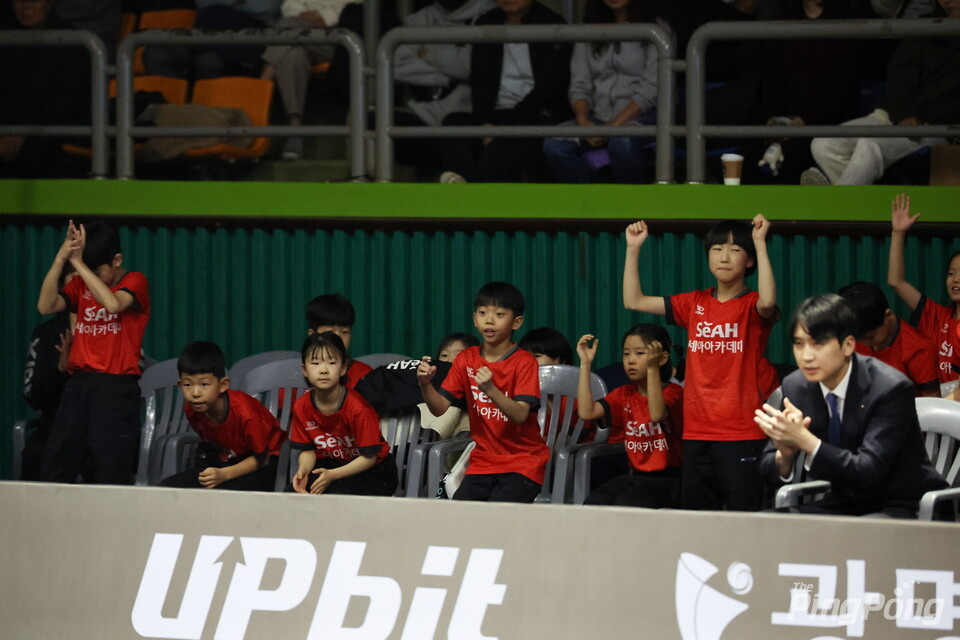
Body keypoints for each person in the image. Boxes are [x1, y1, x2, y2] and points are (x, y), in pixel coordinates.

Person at [623, 215, 778, 511]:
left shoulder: (752, 305)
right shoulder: (693, 303)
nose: (724, 257)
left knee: (743, 517)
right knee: (697, 517)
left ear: (749, 261)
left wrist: (760, 243)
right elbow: (634, 301)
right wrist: (633, 248)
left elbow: (769, 302)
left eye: (735, 250)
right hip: (696, 431)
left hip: (741, 432)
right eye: (717, 249)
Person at [756, 294, 947, 518]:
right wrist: (784, 456)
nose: (806, 356)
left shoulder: (889, 388)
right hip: (845, 502)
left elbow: (869, 473)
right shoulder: (797, 386)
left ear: (848, 345)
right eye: (799, 344)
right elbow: (767, 471)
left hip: (904, 503)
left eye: (818, 344)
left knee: (855, 533)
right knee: (766, 523)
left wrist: (805, 440)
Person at [36, 220, 150, 484]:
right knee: (56, 466)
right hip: (79, 385)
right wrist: (61, 258)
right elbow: (45, 306)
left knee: (110, 471)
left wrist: (79, 265)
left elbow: (113, 304)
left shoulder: (136, 281)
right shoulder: (80, 285)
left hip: (115, 388)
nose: (89, 277)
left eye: (96, 271)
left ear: (117, 260)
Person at [802, 0, 960, 185]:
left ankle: (836, 199)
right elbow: (901, 72)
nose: (946, 1)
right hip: (895, 113)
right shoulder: (926, 25)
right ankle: (857, 197)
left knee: (868, 147)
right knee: (823, 144)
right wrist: (905, 112)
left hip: (938, 126)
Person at [417, 281, 549, 502]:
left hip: (523, 462)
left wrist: (490, 390)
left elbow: (520, 414)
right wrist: (425, 384)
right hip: (483, 461)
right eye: (483, 312)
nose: (489, 320)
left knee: (497, 517)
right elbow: (439, 408)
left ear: (516, 322)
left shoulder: (524, 362)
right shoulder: (466, 359)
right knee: (462, 515)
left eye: (499, 314)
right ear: (474, 318)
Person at [438, 0, 572, 183]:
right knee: (453, 125)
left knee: (496, 157)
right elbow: (480, 80)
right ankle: (467, 190)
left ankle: (479, 194)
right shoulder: (488, 22)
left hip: (538, 115)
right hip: (496, 115)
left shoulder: (551, 23)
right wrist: (485, 124)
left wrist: (508, 126)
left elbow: (550, 87)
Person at [542, 0, 670, 184]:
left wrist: (613, 126)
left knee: (622, 142)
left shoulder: (657, 28)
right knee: (555, 144)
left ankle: (631, 201)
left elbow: (652, 89)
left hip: (645, 117)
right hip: (599, 117)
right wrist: (583, 121)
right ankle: (589, 200)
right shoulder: (588, 29)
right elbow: (580, 84)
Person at [576, 324, 683, 507]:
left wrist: (652, 369)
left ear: (662, 357)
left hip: (670, 480)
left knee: (628, 503)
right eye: (626, 354)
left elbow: (657, 415)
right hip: (635, 476)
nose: (631, 360)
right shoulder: (623, 394)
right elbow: (587, 412)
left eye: (640, 353)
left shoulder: (674, 393)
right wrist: (585, 364)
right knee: (595, 502)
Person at [159, 341, 285, 490]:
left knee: (223, 492)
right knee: (167, 487)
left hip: (266, 462)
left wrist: (224, 474)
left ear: (223, 385)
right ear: (180, 385)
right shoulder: (192, 409)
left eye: (204, 384)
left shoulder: (247, 413)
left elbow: (262, 459)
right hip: (226, 459)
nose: (195, 393)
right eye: (188, 385)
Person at [290, 332, 398, 495]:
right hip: (333, 465)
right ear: (304, 370)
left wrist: (332, 475)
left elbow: (369, 458)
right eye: (315, 363)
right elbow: (307, 451)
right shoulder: (301, 406)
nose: (323, 370)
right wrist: (303, 471)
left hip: (372, 471)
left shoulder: (358, 408)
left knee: (336, 499)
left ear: (343, 368)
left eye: (332, 362)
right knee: (293, 495)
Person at [0, 0, 91, 179]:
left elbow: (67, 102)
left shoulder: (74, 42)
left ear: (49, 3)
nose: (25, 5)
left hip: (53, 133)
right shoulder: (4, 38)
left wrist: (21, 133)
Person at [260, 0, 360, 160]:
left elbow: (356, 8)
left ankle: (262, 83)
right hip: (300, 30)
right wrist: (303, 18)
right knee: (295, 55)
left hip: (338, 36)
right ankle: (295, 129)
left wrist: (324, 17)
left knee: (288, 29)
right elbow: (289, 5)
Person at [887, 192, 960, 393]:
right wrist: (898, 233)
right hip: (934, 403)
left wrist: (942, 404)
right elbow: (896, 281)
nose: (956, 279)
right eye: (951, 273)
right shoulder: (935, 315)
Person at [838, 280, 939, 397]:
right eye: (857, 339)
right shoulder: (850, 337)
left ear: (888, 316)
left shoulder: (918, 350)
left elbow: (932, 398)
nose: (864, 344)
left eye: (870, 338)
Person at [305, 292, 371, 388]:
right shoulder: (295, 374)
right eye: (330, 332)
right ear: (312, 335)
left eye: (345, 332)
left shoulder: (364, 375)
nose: (339, 339)